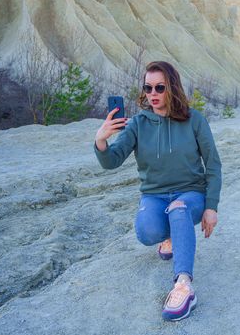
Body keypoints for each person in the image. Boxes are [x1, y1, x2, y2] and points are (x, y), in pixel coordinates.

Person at [93, 61, 222, 321]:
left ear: (171, 88)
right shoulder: (138, 124)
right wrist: (101, 140)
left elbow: (214, 165)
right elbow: (112, 161)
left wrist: (211, 206)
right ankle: (173, 235)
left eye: (159, 87)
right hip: (154, 195)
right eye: (148, 87)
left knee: (179, 209)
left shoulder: (194, 120)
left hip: (190, 194)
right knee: (146, 232)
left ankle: (184, 285)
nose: (153, 93)